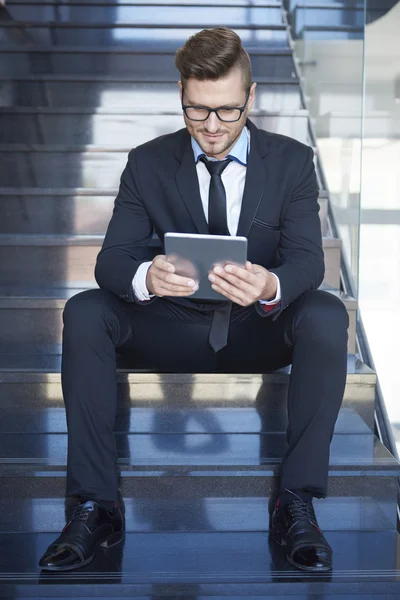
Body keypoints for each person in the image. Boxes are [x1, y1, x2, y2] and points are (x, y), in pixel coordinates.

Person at [39, 26, 349, 573]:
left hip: (256, 328)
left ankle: (295, 501)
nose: (212, 127)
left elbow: (308, 260)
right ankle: (96, 504)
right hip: (170, 325)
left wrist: (270, 285)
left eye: (228, 112)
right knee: (85, 310)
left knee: (325, 311)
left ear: (251, 99)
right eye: (197, 110)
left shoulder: (293, 162)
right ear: (181, 94)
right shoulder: (147, 161)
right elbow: (111, 261)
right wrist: (146, 276)